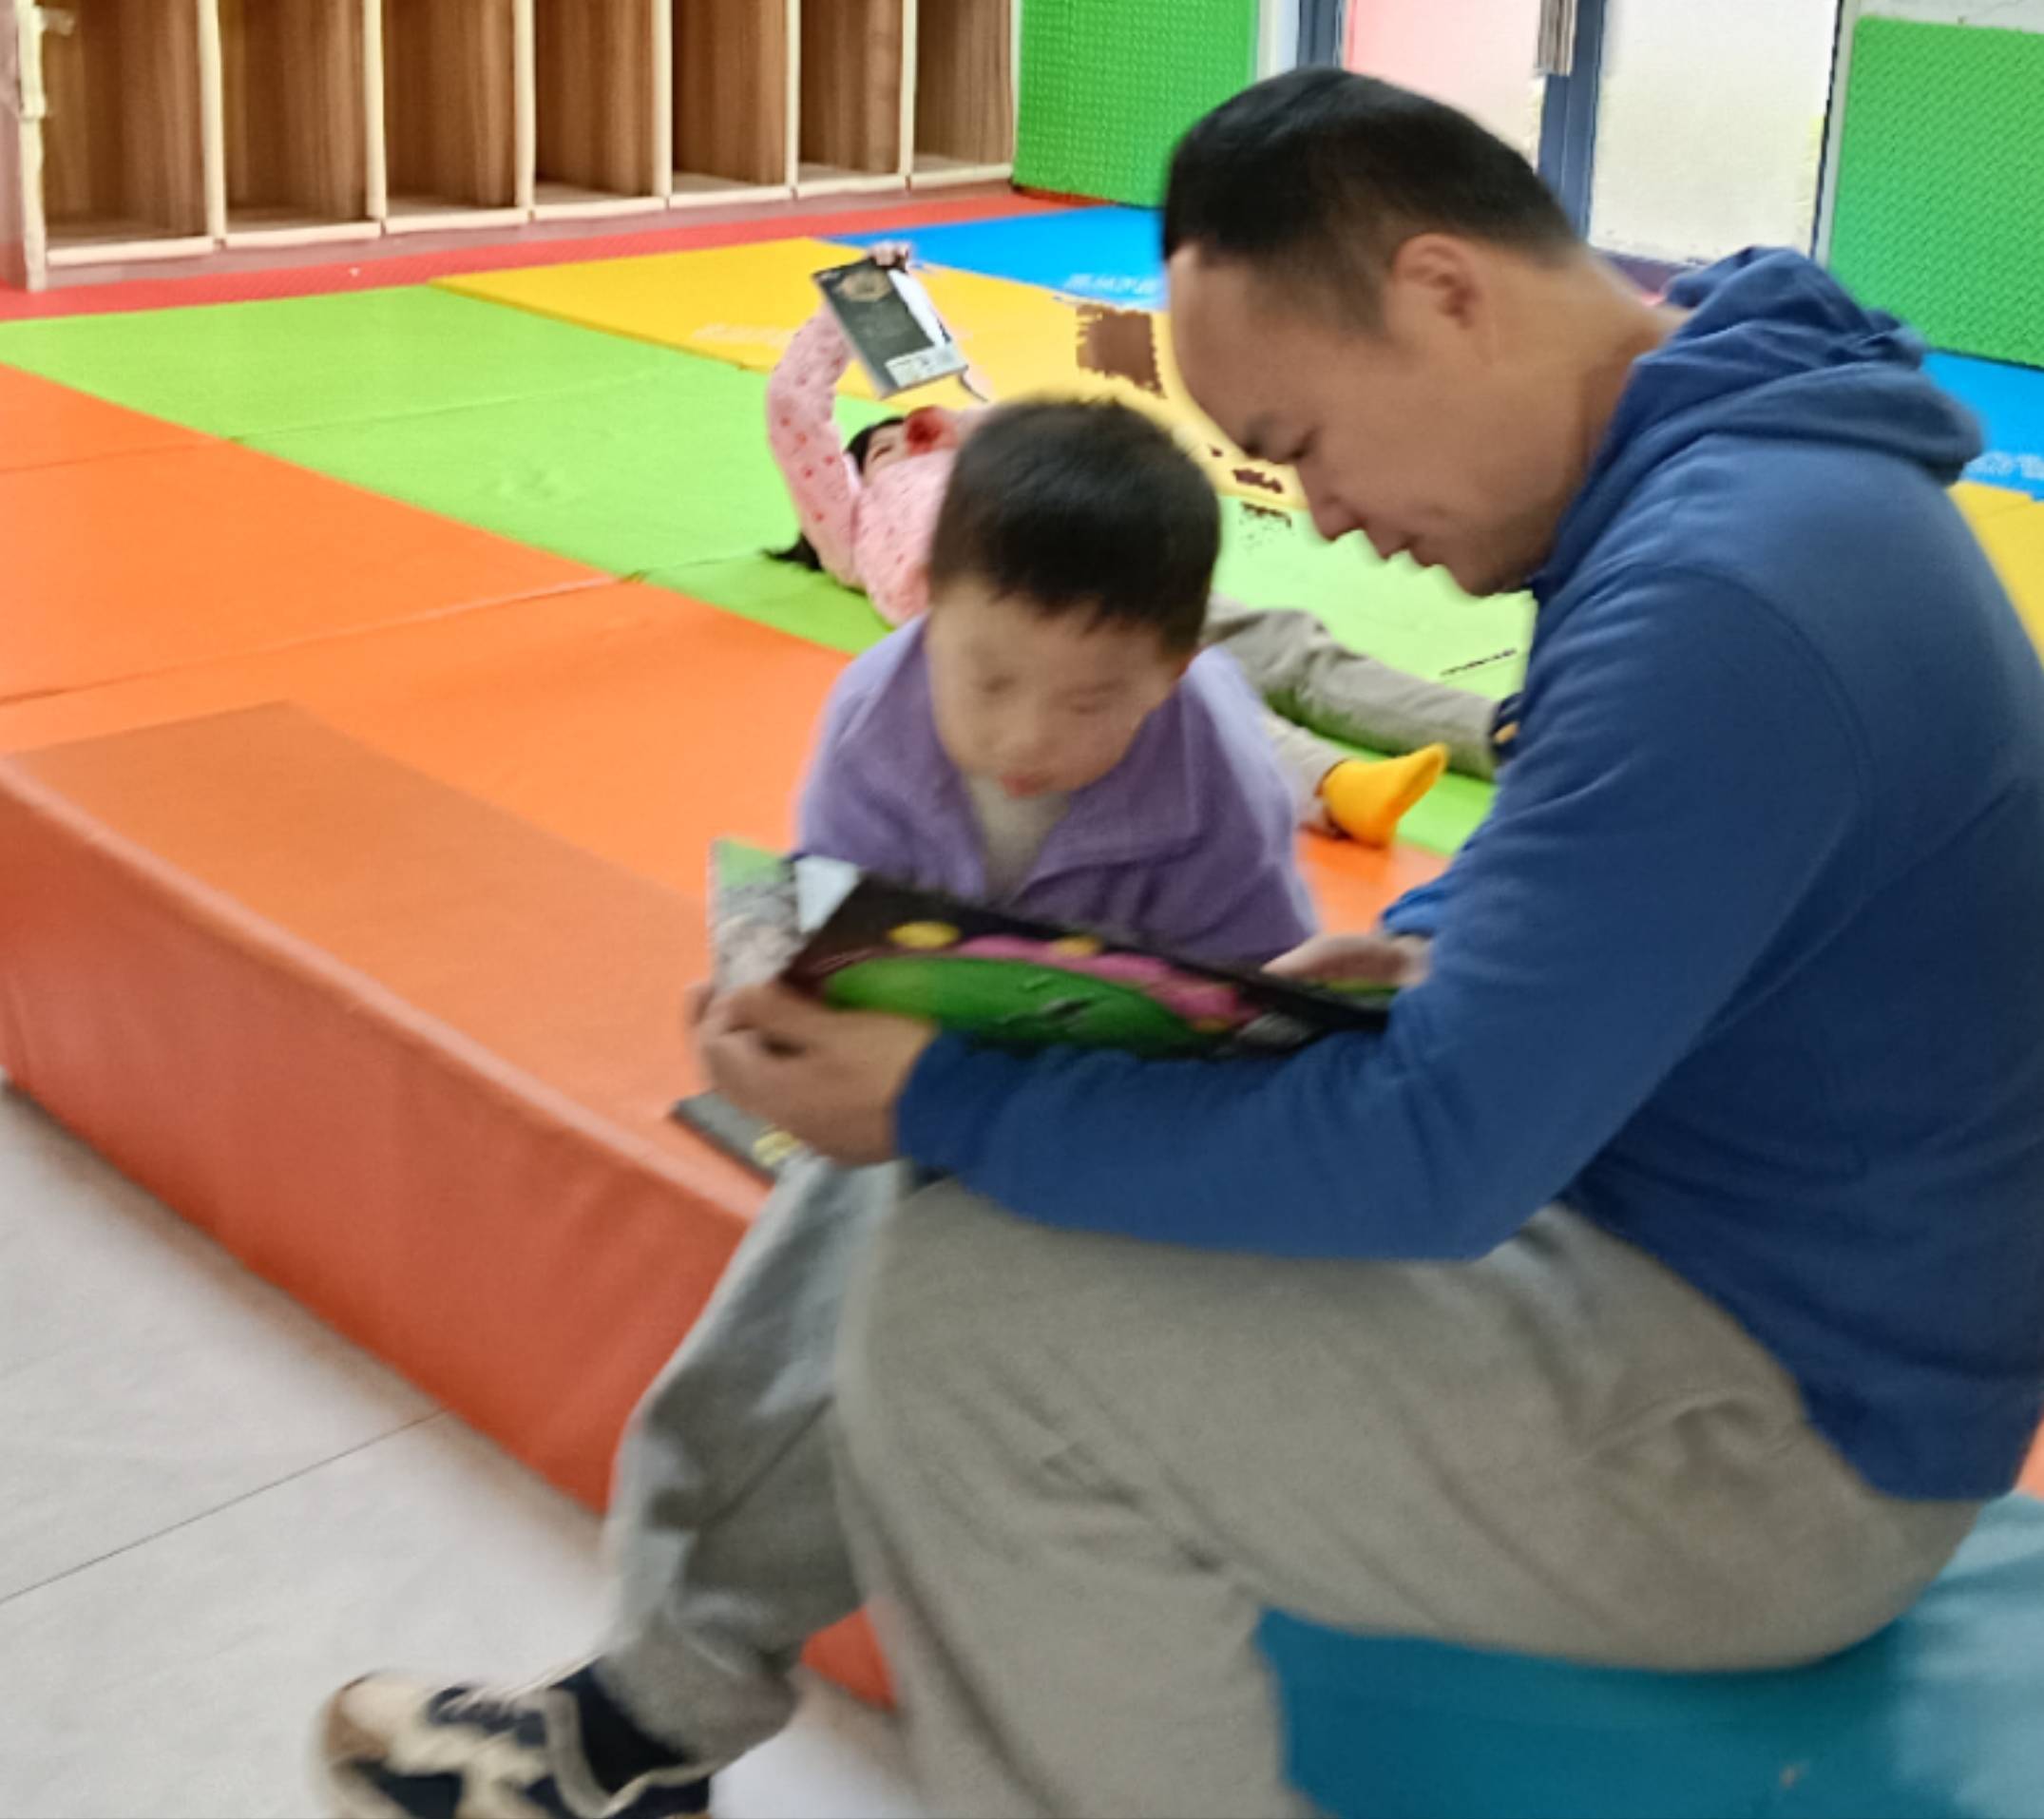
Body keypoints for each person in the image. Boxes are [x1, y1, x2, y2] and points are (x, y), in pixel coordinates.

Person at [677, 69, 2039, 1814]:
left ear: (1443, 291)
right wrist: (1417, 945)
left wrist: (940, 1093)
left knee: (971, 1335)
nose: (1316, 518)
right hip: (1711, 1285)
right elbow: (1644, 888)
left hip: (1779, 1439)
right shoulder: (1734, 459)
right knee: (987, 1205)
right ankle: (666, 1680)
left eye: (1301, 441)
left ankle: (679, 1686)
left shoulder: (1726, 591)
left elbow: (1435, 1161)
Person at [319, 401, 1319, 1819]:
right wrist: (771, 1024)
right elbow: (821, 935)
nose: (1026, 735)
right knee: (765, 1345)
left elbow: (1251, 1012)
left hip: (1110, 1141)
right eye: (987, 677)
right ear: (924, 607)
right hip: (913, 1104)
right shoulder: (877, 717)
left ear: (1174, 669)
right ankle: (650, 1717)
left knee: (886, 1329)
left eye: (1092, 702)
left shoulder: (1213, 768)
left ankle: (637, 1727)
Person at [765, 261, 1500, 844]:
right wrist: (844, 311)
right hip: (1007, 602)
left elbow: (1044, 427)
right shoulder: (853, 526)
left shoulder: (978, 453)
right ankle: (1333, 785)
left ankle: (1496, 729)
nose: (905, 442)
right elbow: (794, 408)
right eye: (883, 446)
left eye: (909, 431)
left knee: (1287, 647)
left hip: (1103, 556)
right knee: (1178, 685)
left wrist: (946, 407)